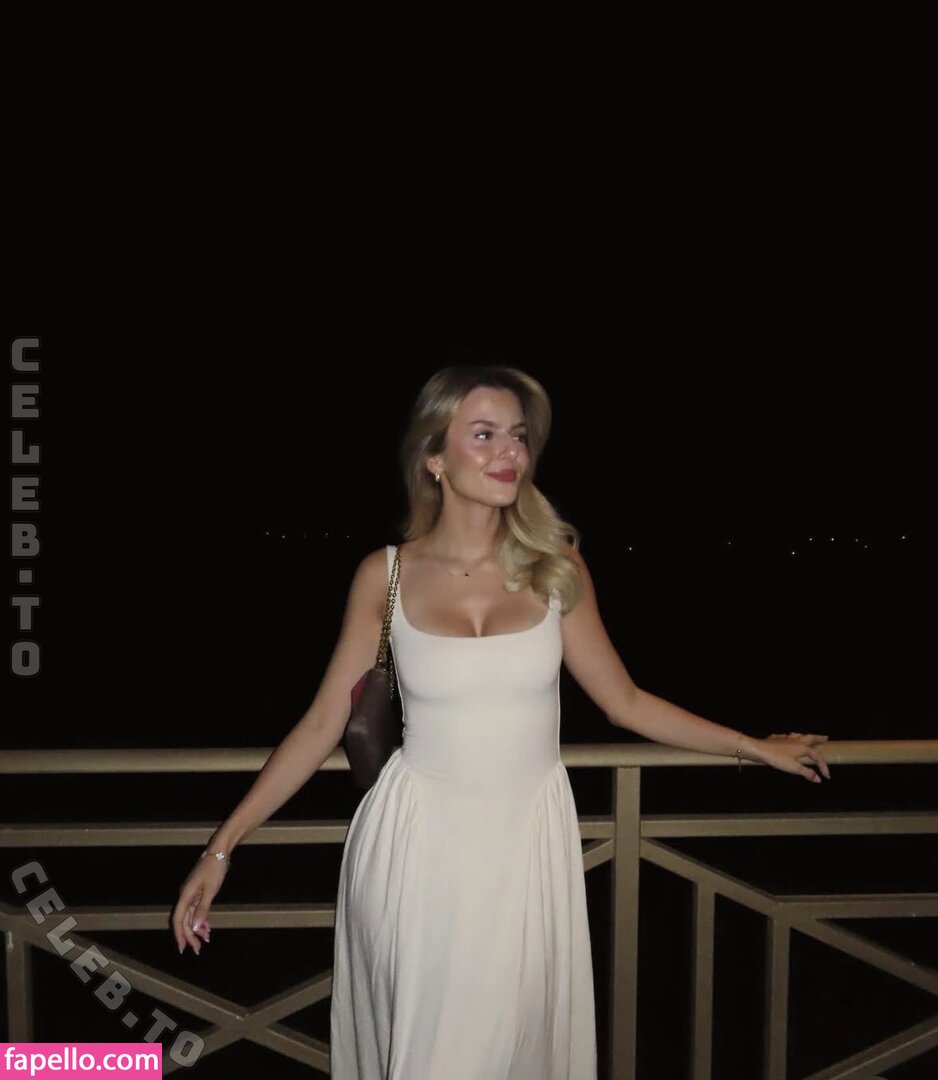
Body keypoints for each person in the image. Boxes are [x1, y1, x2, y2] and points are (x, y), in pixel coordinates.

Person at [171, 365, 831, 1079]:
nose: (509, 452)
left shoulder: (555, 566)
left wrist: (753, 746)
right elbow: (320, 724)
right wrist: (222, 848)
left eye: (517, 436)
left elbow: (625, 701)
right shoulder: (385, 575)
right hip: (417, 853)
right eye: (483, 435)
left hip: (526, 851)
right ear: (435, 457)